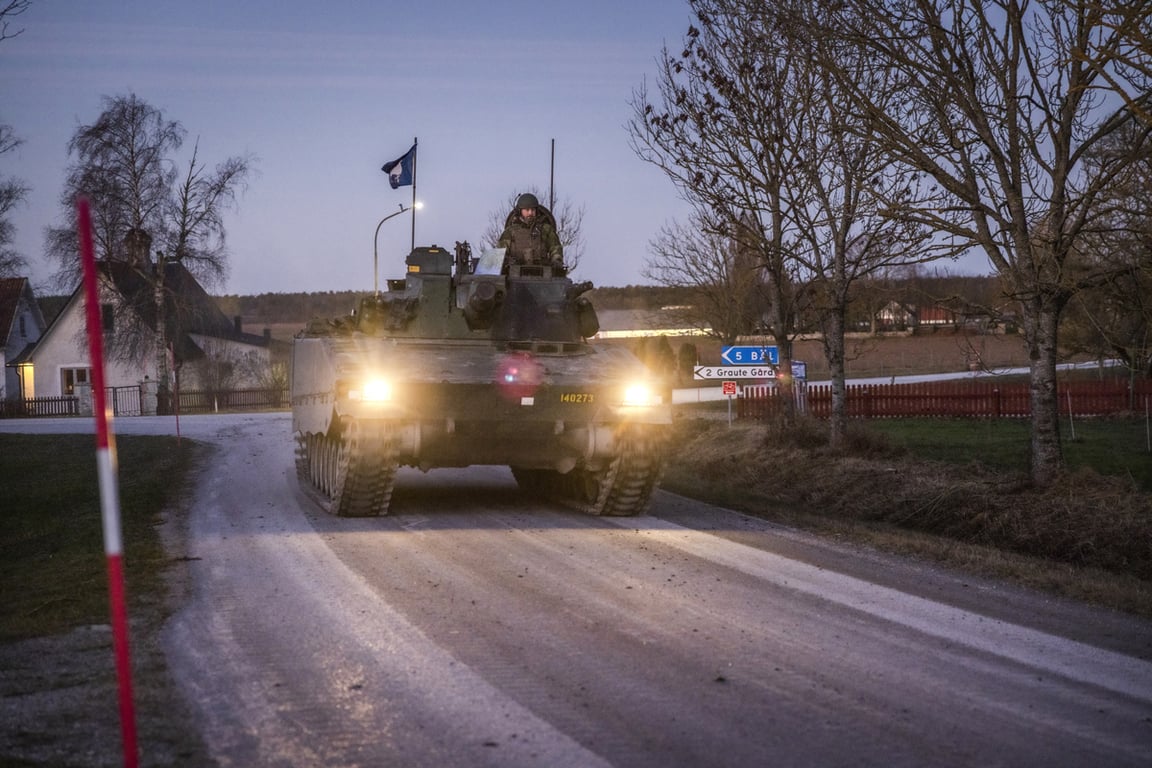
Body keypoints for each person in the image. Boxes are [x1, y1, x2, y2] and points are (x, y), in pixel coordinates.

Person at [497, 192, 564, 272]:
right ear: (520, 211)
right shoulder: (510, 232)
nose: (530, 213)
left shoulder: (545, 229)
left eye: (533, 210)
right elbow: (500, 253)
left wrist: (556, 260)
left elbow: (555, 247)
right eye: (527, 210)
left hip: (542, 273)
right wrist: (507, 261)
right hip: (515, 273)